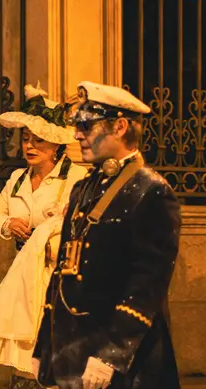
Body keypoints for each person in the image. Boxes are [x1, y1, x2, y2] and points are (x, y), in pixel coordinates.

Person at [32, 81, 182, 389]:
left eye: (87, 126)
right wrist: (43, 348)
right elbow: (63, 272)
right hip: (76, 349)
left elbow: (147, 285)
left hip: (127, 362)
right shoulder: (83, 187)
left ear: (120, 127)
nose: (77, 135)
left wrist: (111, 355)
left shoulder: (150, 190)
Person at [0, 83, 87, 389]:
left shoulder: (77, 178)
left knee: (58, 352)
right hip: (23, 278)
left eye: (38, 140)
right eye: (25, 139)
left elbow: (88, 228)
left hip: (60, 279)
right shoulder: (17, 179)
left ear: (56, 144)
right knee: (25, 354)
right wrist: (7, 224)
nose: (29, 146)